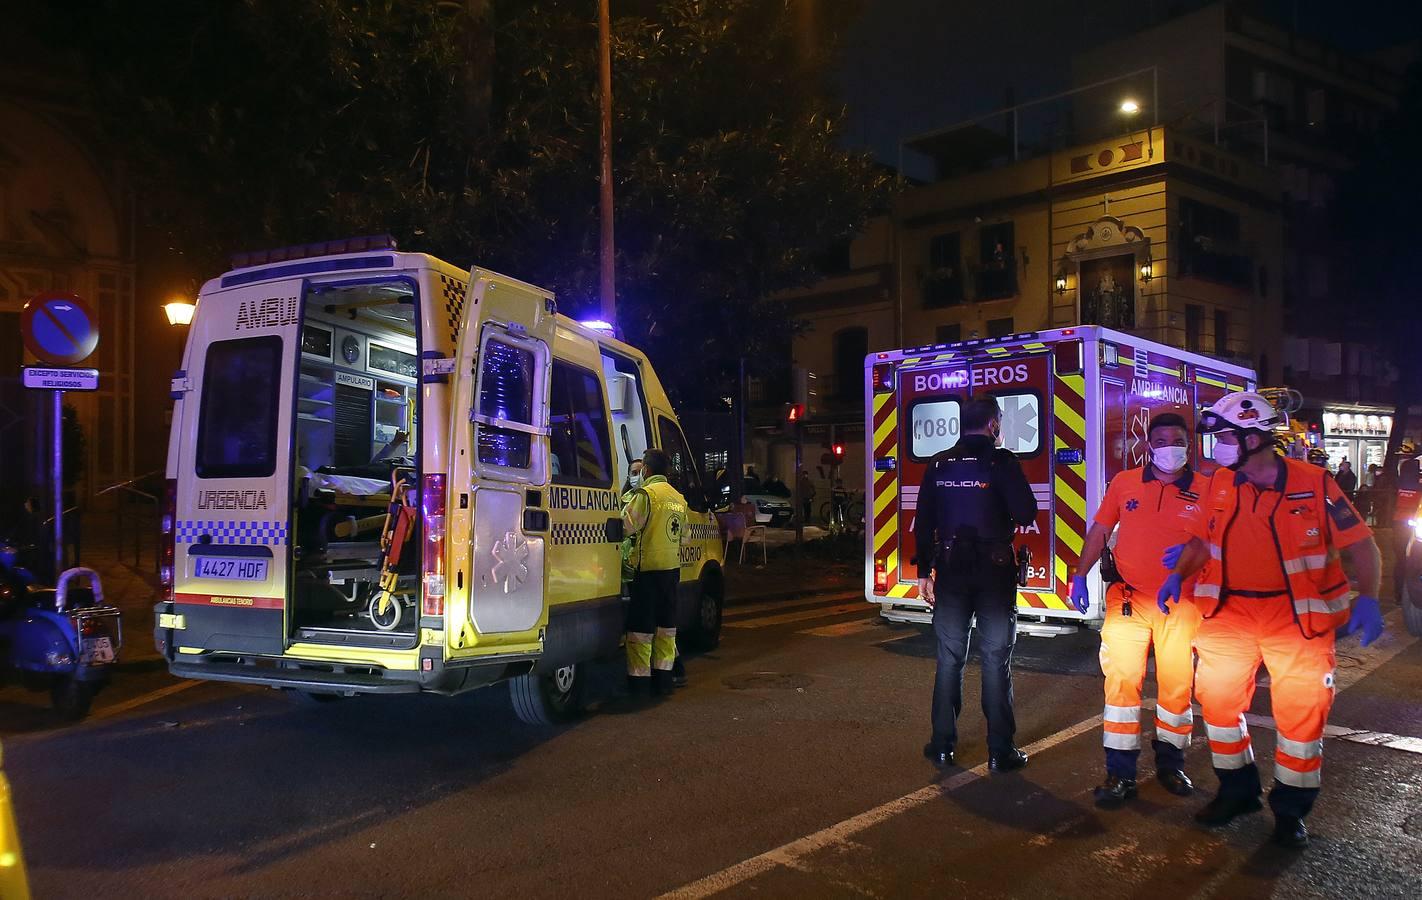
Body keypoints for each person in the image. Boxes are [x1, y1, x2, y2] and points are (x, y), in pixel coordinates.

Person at [1159, 392, 1384, 849]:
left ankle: (1289, 812)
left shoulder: (1315, 483)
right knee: (1219, 707)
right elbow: (1203, 541)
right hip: (1228, 613)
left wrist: (1371, 598)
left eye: (1225, 437)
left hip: (1296, 619)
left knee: (1301, 721)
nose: (1217, 446)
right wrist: (1177, 574)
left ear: (1255, 437)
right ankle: (1237, 792)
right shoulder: (1220, 483)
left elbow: (1362, 544)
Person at [1072, 413, 1201, 807]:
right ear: (1148, 446)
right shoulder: (1125, 482)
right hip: (1127, 598)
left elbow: (1217, 542)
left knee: (1177, 685)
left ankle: (1171, 764)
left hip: (1181, 602)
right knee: (1121, 683)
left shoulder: (1208, 490)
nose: (1168, 447)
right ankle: (1120, 773)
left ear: (1189, 445)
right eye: (1160, 440)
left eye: (1176, 439)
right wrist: (1080, 575)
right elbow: (1099, 530)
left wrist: (1194, 555)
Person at [915, 397, 1037, 771]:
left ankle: (941, 745)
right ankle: (1000, 751)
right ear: (994, 426)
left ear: (960, 424)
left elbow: (923, 522)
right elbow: (1026, 512)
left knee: (949, 659)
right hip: (993, 572)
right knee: (996, 659)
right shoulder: (1001, 463)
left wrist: (923, 574)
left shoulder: (939, 464)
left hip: (950, 571)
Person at [621, 448, 689, 697]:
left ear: (647, 470)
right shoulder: (678, 498)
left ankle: (639, 686)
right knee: (666, 629)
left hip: (647, 571)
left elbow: (627, 527)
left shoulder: (646, 495)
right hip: (671, 572)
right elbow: (685, 536)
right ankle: (664, 681)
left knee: (641, 631)